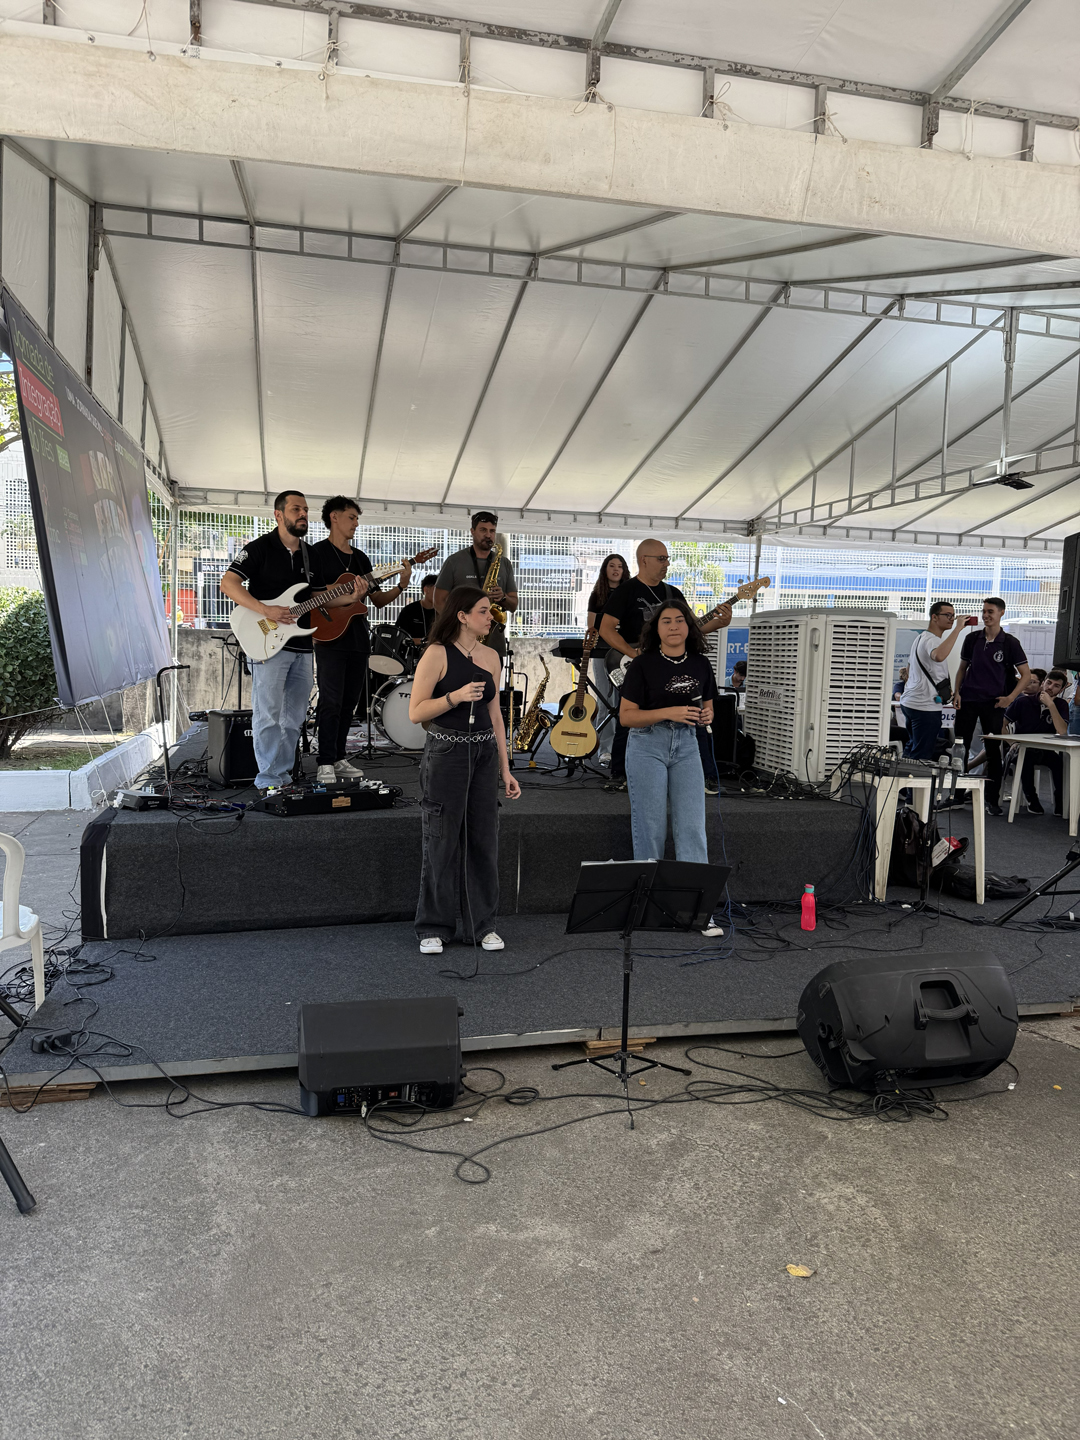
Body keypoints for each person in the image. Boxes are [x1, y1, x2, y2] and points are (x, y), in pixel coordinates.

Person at [408, 586, 521, 956]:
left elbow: (496, 715)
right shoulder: (437, 653)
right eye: (484, 611)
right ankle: (434, 926)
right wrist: (453, 697)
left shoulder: (491, 656)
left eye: (491, 611)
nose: (491, 617)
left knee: (483, 840)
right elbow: (416, 712)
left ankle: (482, 925)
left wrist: (505, 767)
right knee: (441, 839)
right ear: (462, 615)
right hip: (446, 751)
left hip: (484, 753)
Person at [221, 491, 357, 793]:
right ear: (279, 515)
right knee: (268, 714)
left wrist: (353, 595)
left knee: (294, 719)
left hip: (302, 646)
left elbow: (319, 598)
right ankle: (268, 779)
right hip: (267, 642)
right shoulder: (259, 548)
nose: (303, 514)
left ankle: (282, 776)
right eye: (296, 509)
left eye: (306, 509)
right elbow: (228, 583)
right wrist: (265, 609)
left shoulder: (311, 554)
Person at [619, 599, 722, 937]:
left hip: (688, 745)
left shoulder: (701, 663)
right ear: (657, 629)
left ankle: (697, 909)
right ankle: (648, 907)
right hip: (647, 744)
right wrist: (669, 713)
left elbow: (708, 705)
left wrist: (707, 714)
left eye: (680, 620)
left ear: (689, 627)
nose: (674, 626)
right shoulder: (642, 664)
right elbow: (626, 717)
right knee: (650, 828)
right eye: (667, 621)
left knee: (692, 828)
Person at [598, 538, 731, 793]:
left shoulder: (673, 593)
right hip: (639, 665)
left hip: (673, 665)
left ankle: (703, 774)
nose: (666, 563)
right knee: (629, 713)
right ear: (643, 560)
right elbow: (605, 628)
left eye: (667, 558)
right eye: (661, 558)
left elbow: (690, 628)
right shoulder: (626, 590)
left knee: (694, 714)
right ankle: (619, 772)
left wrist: (719, 623)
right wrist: (633, 653)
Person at [308, 496, 412, 786]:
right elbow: (312, 594)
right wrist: (345, 595)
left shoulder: (361, 559)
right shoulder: (317, 553)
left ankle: (338, 757)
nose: (356, 523)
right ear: (334, 517)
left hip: (357, 638)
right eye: (351, 517)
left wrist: (401, 584)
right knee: (331, 700)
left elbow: (377, 600)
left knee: (349, 702)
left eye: (357, 518)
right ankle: (324, 761)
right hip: (328, 636)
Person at [953, 597, 1032, 817]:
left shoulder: (1010, 643)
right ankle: (956, 796)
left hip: (994, 702)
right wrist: (957, 692)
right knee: (960, 749)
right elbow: (962, 668)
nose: (986, 615)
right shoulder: (972, 638)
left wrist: (1010, 698)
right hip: (968, 700)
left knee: (993, 752)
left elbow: (1026, 675)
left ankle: (991, 799)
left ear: (1001, 613)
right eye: (984, 611)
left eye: (990, 611)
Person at [434, 512, 518, 661]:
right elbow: (438, 601)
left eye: (492, 531)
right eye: (483, 530)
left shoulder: (504, 563)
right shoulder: (454, 561)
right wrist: (458, 626)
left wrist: (503, 597)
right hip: (460, 642)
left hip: (493, 643)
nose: (488, 535)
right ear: (472, 531)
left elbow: (514, 605)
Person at [898, 601, 971, 759]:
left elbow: (909, 670)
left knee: (912, 748)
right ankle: (912, 776)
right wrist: (958, 629)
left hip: (911, 703)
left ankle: (904, 775)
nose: (952, 619)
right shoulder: (932, 640)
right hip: (924, 707)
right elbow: (938, 656)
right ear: (934, 617)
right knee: (922, 754)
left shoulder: (920, 638)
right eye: (948, 615)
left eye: (953, 616)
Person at [1005, 668, 1068, 815]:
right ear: (1043, 683)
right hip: (1022, 749)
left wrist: (1051, 705)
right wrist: (1011, 742)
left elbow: (1062, 731)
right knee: (1025, 759)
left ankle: (1060, 801)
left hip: (1045, 749)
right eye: (1049, 683)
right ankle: (1031, 799)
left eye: (1056, 686)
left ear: (1061, 690)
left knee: (1060, 763)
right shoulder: (1023, 701)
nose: (1050, 688)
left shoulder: (1061, 705)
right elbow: (1002, 724)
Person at [586, 553, 630, 715]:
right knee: (604, 695)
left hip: (624, 651)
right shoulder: (596, 595)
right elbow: (591, 626)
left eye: (620, 566)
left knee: (624, 695)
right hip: (601, 650)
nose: (616, 570)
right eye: (612, 566)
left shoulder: (630, 594)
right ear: (605, 569)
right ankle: (604, 732)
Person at [396, 573, 439, 644]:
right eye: (437, 589)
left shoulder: (442, 611)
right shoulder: (409, 610)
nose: (440, 593)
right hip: (412, 650)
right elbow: (399, 636)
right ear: (426, 590)